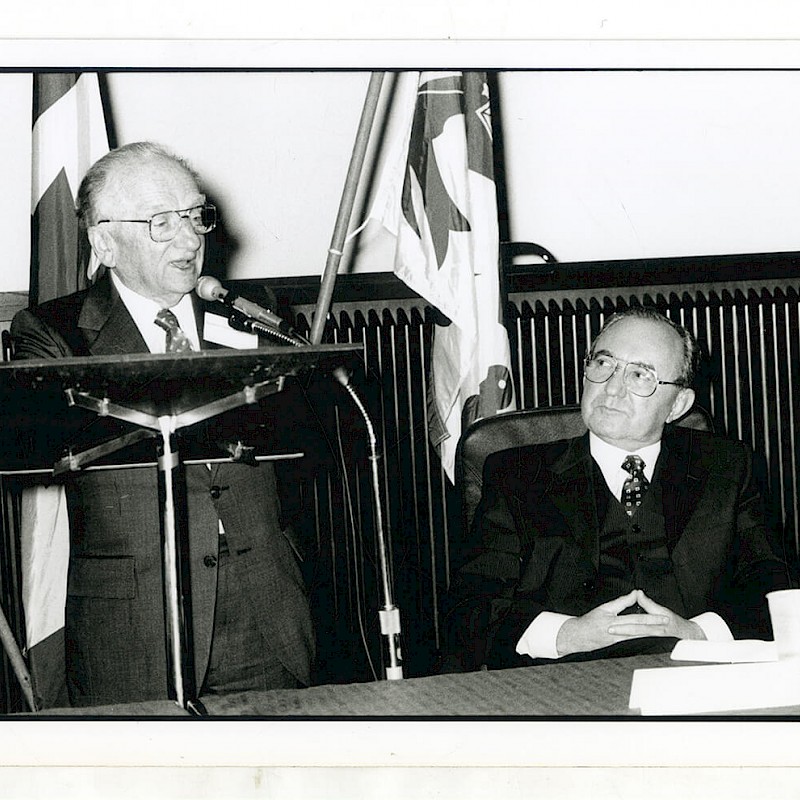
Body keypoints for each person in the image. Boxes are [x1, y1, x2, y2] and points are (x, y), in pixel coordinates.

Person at [11, 141, 314, 707]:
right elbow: (73, 442)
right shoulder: (54, 334)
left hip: (265, 607)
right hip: (138, 620)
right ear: (104, 241)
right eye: (160, 222)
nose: (190, 238)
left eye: (196, 215)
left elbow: (305, 441)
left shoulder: (254, 314)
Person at [444, 306, 791, 672]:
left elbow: (778, 588)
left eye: (641, 375)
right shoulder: (517, 475)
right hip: (562, 685)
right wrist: (568, 634)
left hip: (699, 680)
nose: (611, 388)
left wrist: (698, 634)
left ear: (678, 404)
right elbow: (469, 609)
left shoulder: (728, 467)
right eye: (602, 364)